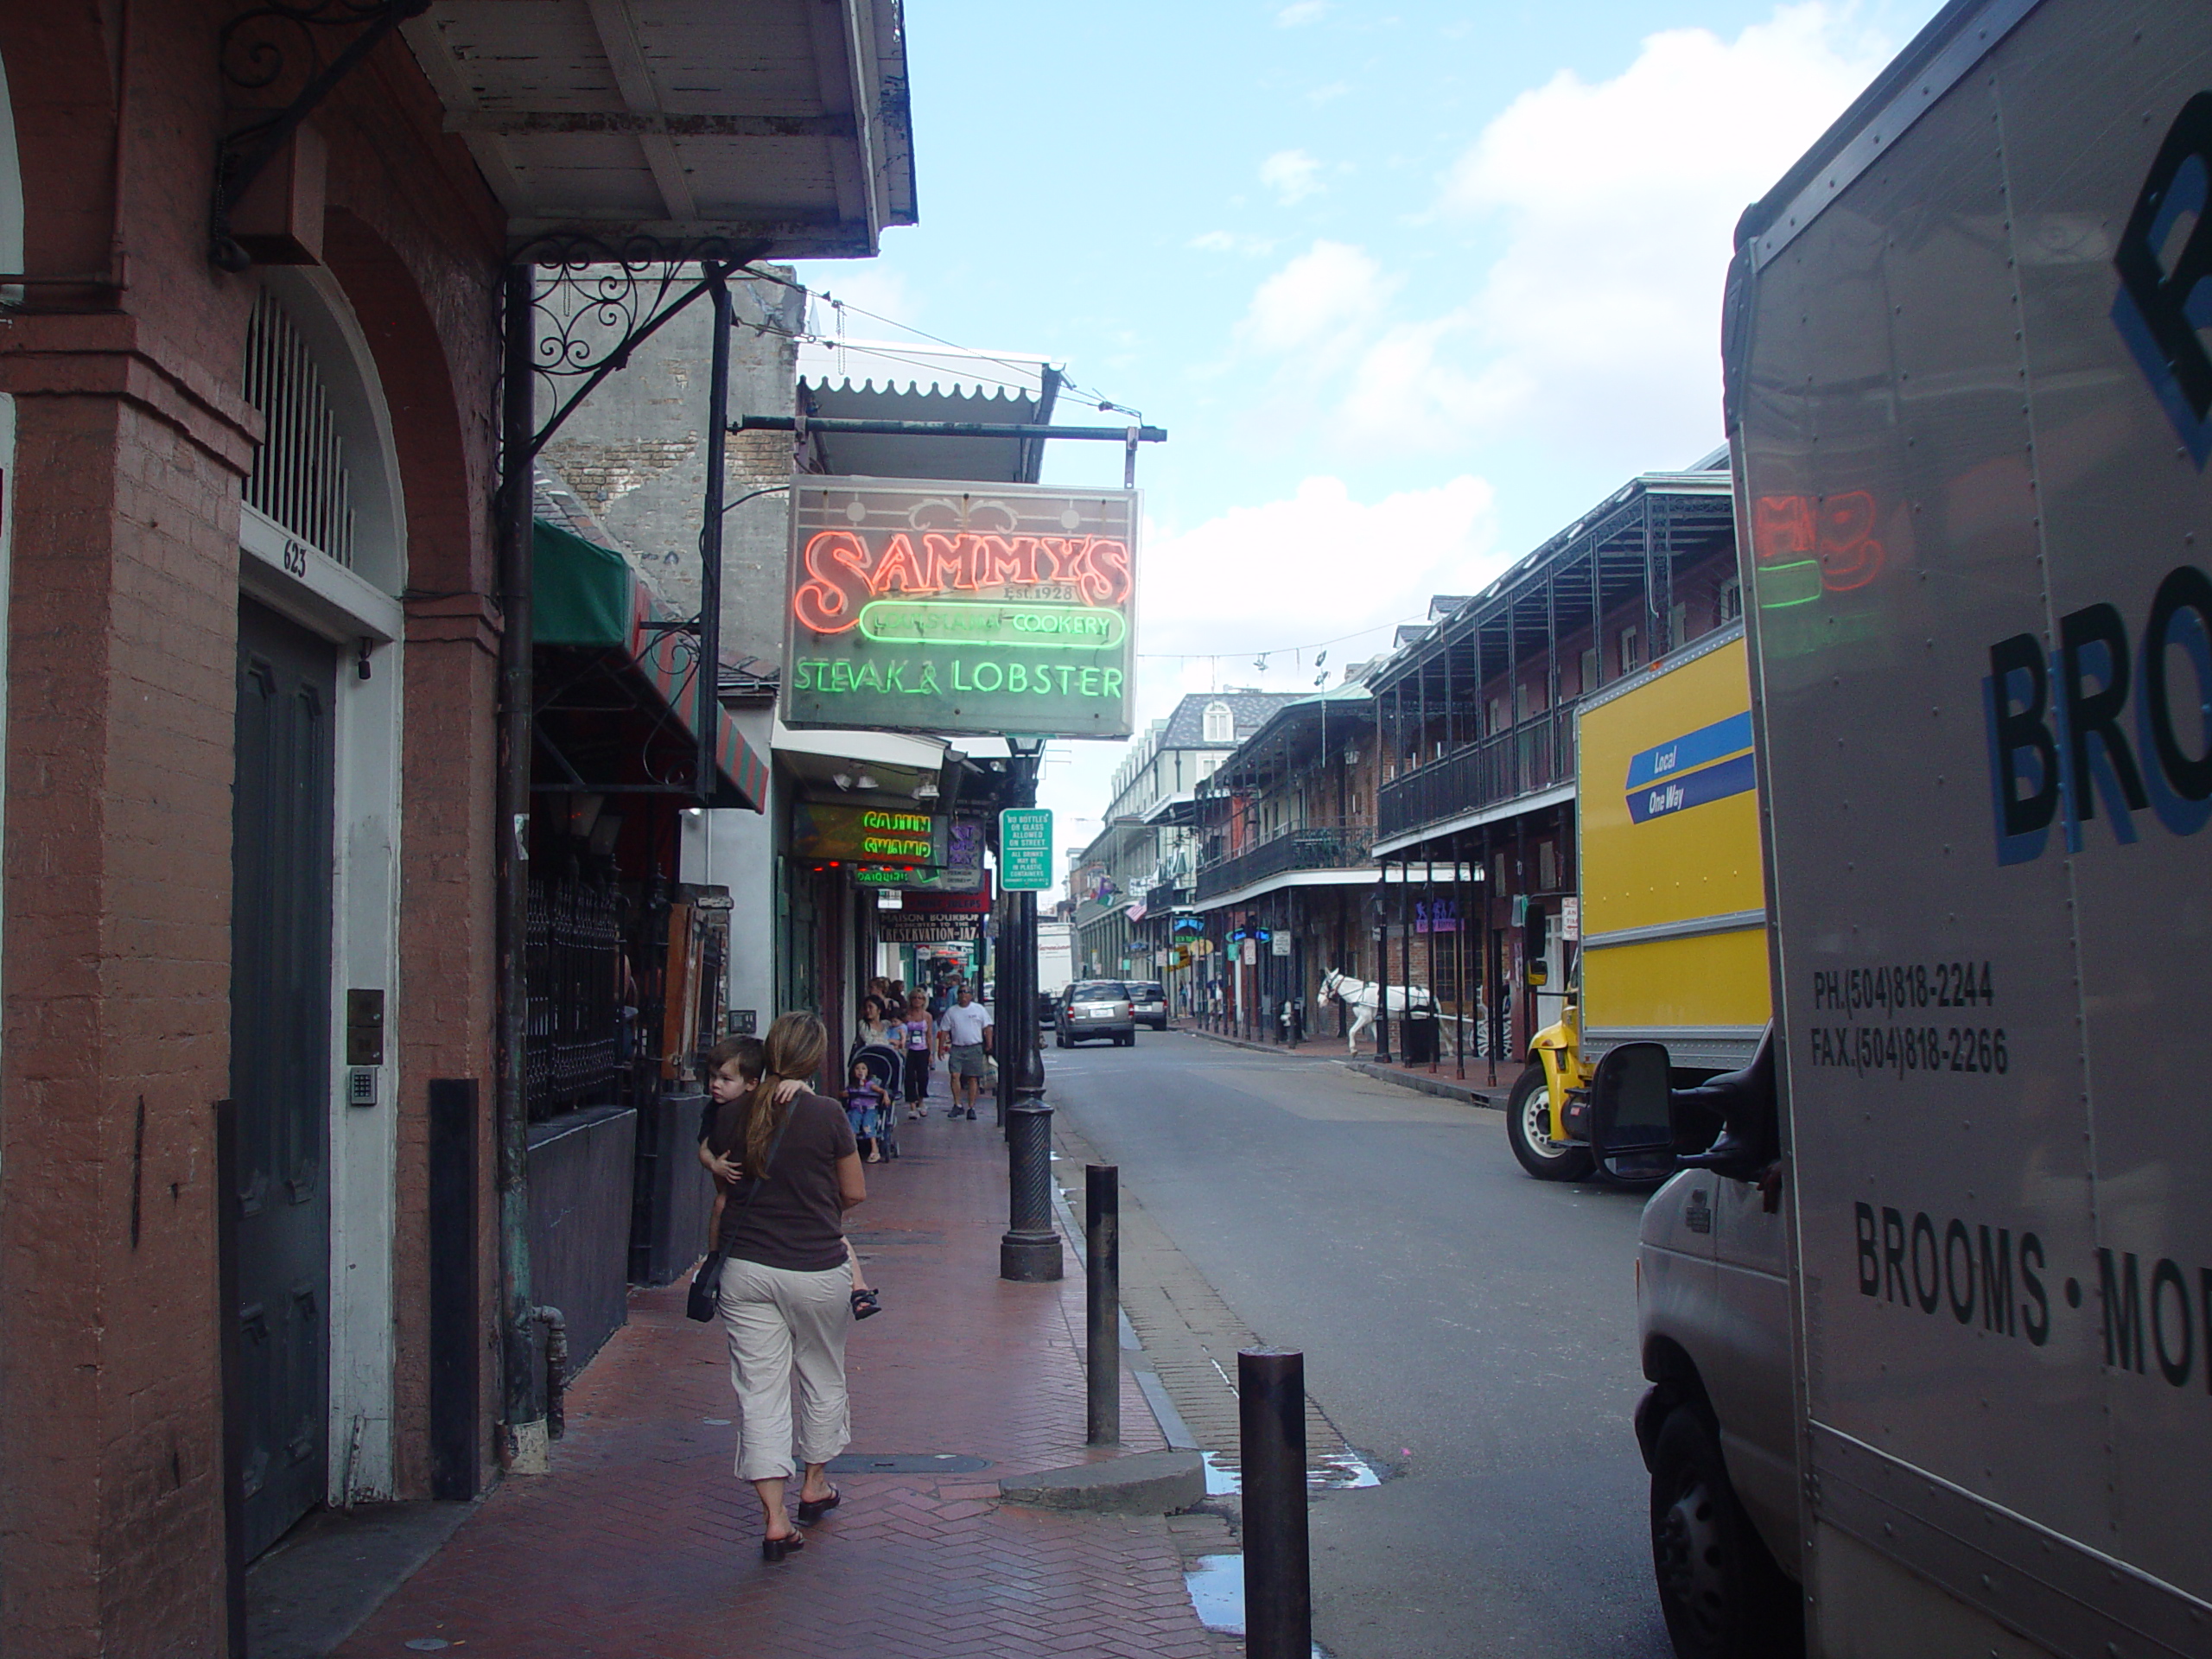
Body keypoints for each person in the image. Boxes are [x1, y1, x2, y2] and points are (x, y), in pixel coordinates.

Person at [701, 1013, 868, 1561]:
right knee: (821, 1373)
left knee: (759, 1390)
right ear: (816, 1059)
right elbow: (855, 1193)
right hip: (816, 1268)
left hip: (746, 1270)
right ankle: (814, 1484)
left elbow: (720, 1174)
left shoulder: (734, 1111)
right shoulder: (827, 1113)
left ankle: (774, 1519)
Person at [698, 1040, 873, 1316]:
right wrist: (713, 1164)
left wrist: (800, 1088)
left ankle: (859, 1286)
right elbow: (704, 1146)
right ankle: (714, 1263)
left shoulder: (745, 1110)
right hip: (802, 1259)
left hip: (750, 1256)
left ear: (753, 1083)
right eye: (713, 1078)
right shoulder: (722, 1112)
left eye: (725, 1079)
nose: (715, 1085)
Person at [936, 981, 993, 1121]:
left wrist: (989, 1043)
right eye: (960, 992)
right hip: (957, 1048)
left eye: (966, 992)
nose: (962, 995)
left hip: (974, 1047)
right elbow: (944, 1030)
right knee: (955, 1075)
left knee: (973, 1078)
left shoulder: (979, 1009)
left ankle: (971, 1107)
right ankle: (957, 1104)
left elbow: (987, 1027)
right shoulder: (952, 1011)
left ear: (971, 995)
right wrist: (941, 1048)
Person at [842, 1057, 889, 1164]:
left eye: (863, 1069)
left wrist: (885, 1095)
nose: (860, 1071)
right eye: (857, 1069)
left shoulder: (869, 1084)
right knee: (853, 1121)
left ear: (867, 1072)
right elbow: (844, 1093)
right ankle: (852, 1150)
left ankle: (874, 1149)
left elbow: (880, 1090)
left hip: (869, 1109)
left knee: (868, 1124)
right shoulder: (852, 1086)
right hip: (856, 1109)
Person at [899, 990, 933, 1119]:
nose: (917, 1000)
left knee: (923, 1076)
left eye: (920, 998)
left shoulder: (927, 1016)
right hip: (909, 1050)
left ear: (924, 1000)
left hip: (923, 1049)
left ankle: (921, 1101)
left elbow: (929, 1035)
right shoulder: (906, 1015)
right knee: (909, 1077)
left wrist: (931, 1053)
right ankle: (912, 1106)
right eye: (914, 998)